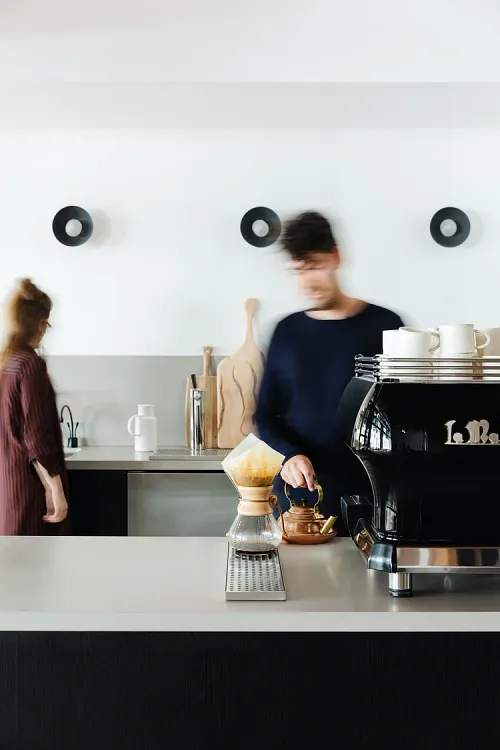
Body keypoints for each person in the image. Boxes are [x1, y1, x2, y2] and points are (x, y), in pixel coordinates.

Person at [255, 211, 404, 532]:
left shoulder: (386, 326)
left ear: (336, 257)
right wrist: (289, 456)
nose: (308, 281)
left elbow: (406, 416)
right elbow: (265, 416)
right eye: (299, 270)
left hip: (373, 498)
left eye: (316, 266)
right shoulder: (286, 332)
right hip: (301, 502)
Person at [0, 279, 70, 535]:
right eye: (46, 324)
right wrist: (54, 489)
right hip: (31, 491)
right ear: (40, 323)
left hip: (9, 488)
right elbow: (36, 436)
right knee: (39, 557)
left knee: (16, 558)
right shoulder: (31, 365)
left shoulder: (7, 362)